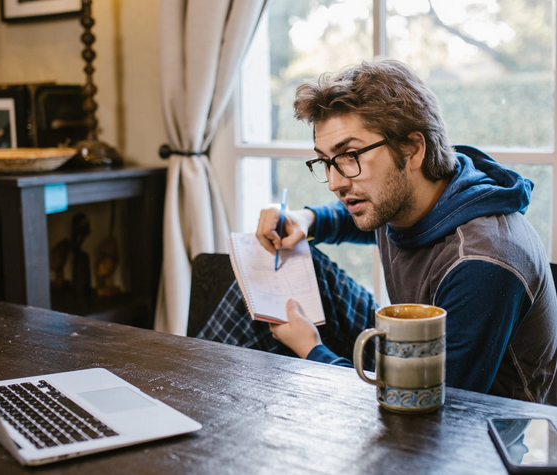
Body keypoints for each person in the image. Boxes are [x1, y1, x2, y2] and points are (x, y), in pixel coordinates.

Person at [198, 59, 557, 405]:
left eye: (350, 155)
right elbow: (363, 222)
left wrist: (311, 350)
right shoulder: (413, 194)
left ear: (413, 149)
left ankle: (198, 412)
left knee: (288, 337)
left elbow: (428, 409)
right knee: (278, 264)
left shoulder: (483, 262)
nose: (335, 183)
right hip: (409, 356)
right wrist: (306, 219)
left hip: (469, 434)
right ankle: (195, 399)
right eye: (326, 162)